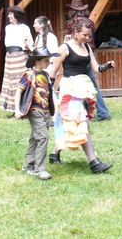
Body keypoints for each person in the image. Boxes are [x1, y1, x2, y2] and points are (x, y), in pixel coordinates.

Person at [48, 21, 114, 173]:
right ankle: (94, 162)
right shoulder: (64, 48)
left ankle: (54, 153)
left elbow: (96, 68)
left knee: (71, 123)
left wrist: (108, 65)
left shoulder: (86, 47)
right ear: (75, 32)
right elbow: (53, 72)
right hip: (70, 90)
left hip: (83, 89)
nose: (88, 38)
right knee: (81, 123)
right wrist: (47, 92)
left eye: (89, 35)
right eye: (85, 35)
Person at [63, 0, 111, 122]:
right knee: (92, 86)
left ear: (72, 10)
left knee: (74, 86)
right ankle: (102, 112)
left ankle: (80, 112)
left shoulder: (72, 24)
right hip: (88, 55)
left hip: (75, 58)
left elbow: (68, 42)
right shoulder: (90, 23)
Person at [15, 47, 57, 180]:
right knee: (43, 138)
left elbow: (49, 93)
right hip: (35, 111)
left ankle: (29, 165)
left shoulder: (46, 75)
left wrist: (53, 111)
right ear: (37, 61)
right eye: (46, 60)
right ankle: (41, 169)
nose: (48, 63)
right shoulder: (29, 75)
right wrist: (17, 109)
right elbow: (19, 91)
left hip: (45, 112)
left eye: (49, 60)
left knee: (35, 137)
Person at [0, 6, 33, 113]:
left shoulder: (24, 28)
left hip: (20, 56)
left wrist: (28, 46)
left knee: (19, 81)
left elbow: (29, 42)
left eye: (11, 14)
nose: (8, 16)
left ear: (16, 15)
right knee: (10, 81)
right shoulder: (7, 28)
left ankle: (22, 108)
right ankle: (13, 107)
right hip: (9, 57)